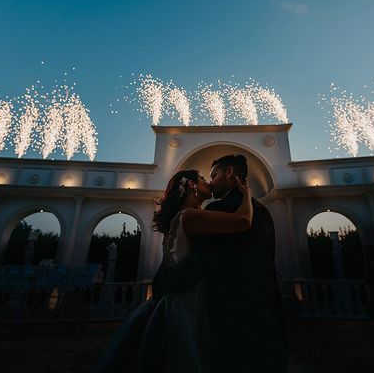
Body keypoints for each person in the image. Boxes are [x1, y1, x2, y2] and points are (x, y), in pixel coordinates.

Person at [94, 168, 253, 372]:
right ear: (192, 185)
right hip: (185, 300)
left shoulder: (178, 218)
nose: (208, 182)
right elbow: (244, 221)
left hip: (170, 298)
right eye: (203, 179)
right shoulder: (189, 216)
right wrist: (247, 193)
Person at [177, 154, 288, 373]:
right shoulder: (262, 210)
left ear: (229, 173)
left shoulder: (216, 210)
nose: (210, 182)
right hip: (263, 306)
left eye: (214, 175)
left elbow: (203, 260)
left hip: (225, 308)